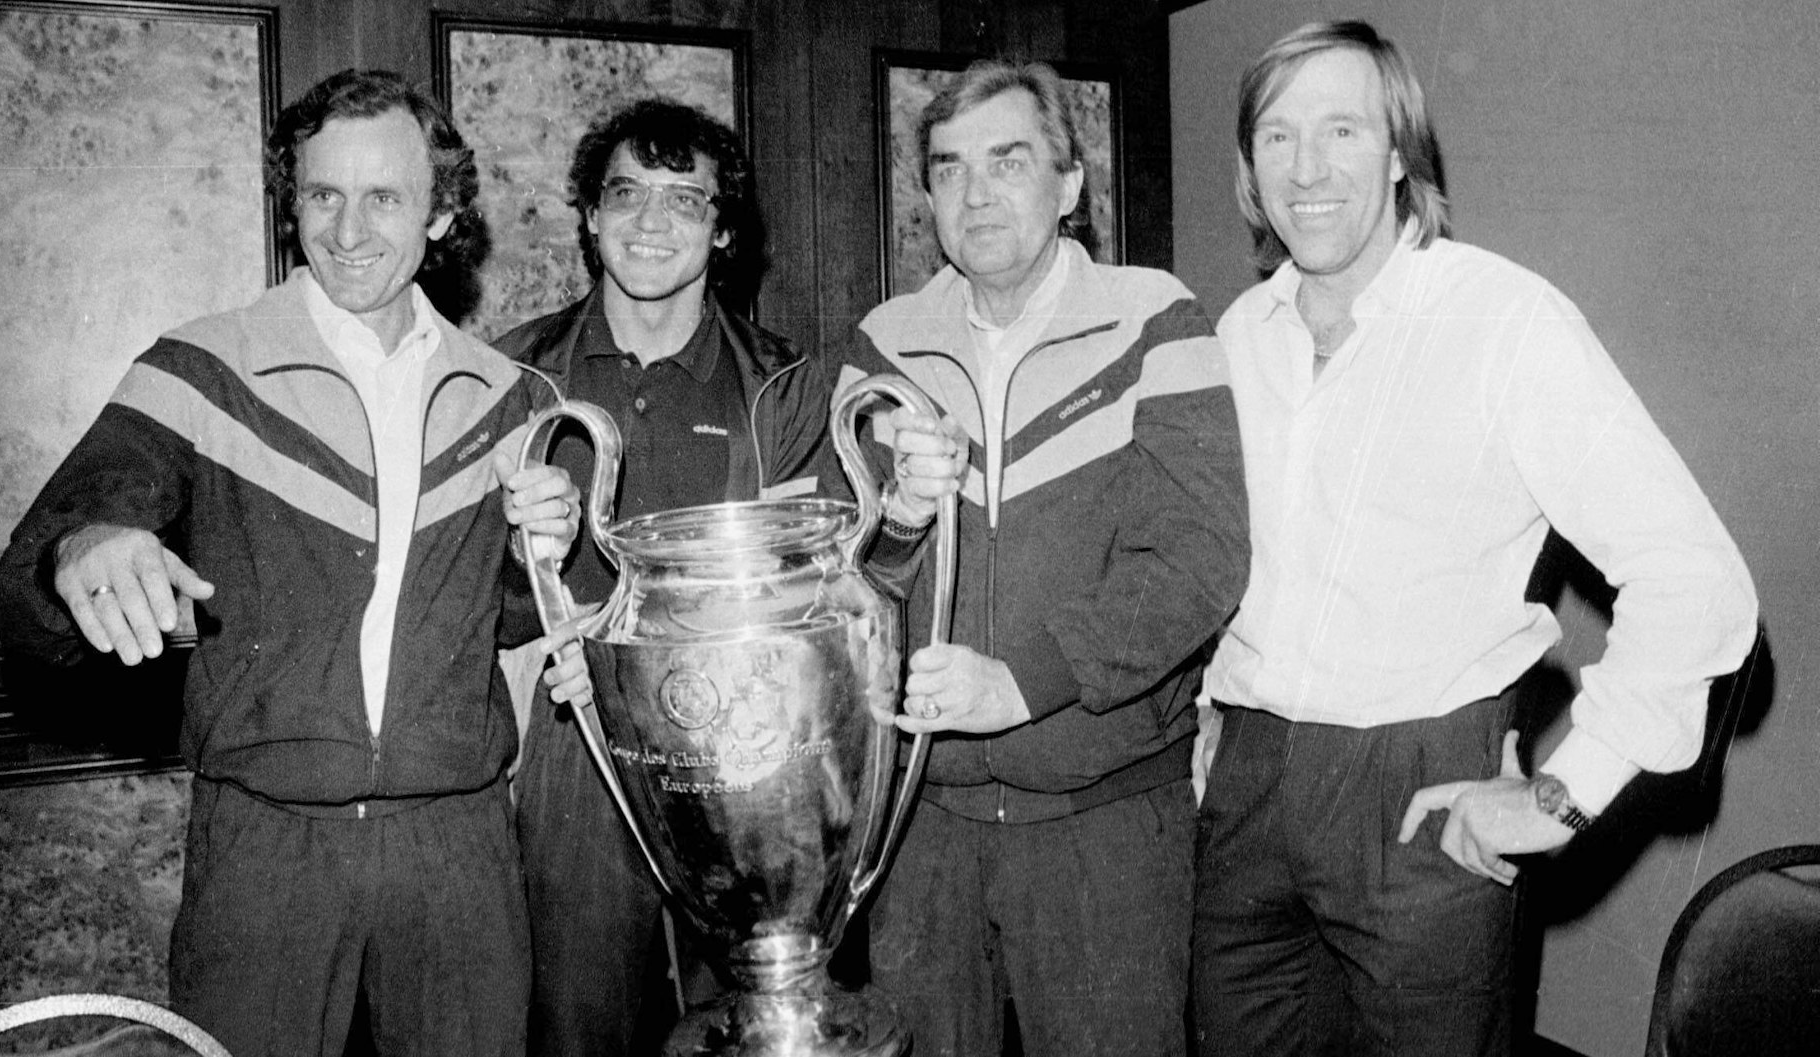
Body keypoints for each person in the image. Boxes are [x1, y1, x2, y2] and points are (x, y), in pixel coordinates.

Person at [1190, 20, 1760, 1057]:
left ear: (1399, 153)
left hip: (1420, 791)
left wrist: (1562, 793)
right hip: (1245, 787)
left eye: (1342, 130)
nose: (1306, 167)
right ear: (1248, 167)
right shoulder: (1233, 339)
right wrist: (1205, 712)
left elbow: (1696, 581)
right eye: (1276, 136)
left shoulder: (1504, 322)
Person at [0, 69, 577, 1057]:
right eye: (321, 195)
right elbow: (34, 575)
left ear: (442, 215)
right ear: (290, 204)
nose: (348, 230)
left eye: (384, 197)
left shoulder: (512, 399)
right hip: (266, 848)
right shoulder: (202, 370)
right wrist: (87, 549)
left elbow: (512, 618)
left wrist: (542, 554)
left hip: (457, 846)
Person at [842, 59, 1250, 1057]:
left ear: (1069, 186)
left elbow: (1202, 556)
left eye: (1007, 161)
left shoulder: (1154, 318)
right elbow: (838, 580)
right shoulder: (884, 346)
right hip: (918, 824)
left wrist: (1022, 682)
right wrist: (895, 515)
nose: (975, 194)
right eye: (947, 170)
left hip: (1101, 820)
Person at [492, 97, 867, 1057]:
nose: (651, 223)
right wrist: (527, 579)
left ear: (723, 227)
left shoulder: (784, 384)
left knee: (752, 1029)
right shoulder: (511, 378)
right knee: (578, 1029)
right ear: (588, 215)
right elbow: (466, 599)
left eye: (684, 200)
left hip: (742, 754)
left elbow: (807, 594)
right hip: (575, 753)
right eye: (626, 194)